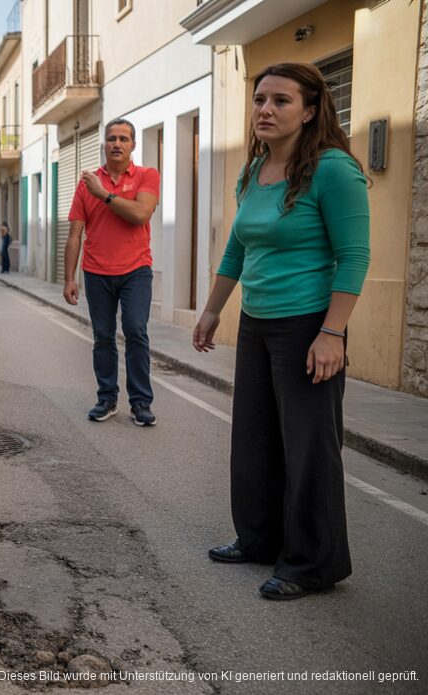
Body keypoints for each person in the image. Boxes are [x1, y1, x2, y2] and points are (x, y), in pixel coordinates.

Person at [194, 63, 369, 601]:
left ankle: (313, 563)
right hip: (257, 322)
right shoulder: (254, 172)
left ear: (311, 110)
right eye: (259, 100)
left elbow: (354, 255)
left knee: (309, 446)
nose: (264, 110)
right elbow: (237, 248)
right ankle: (259, 538)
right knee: (253, 437)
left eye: (280, 101)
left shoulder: (334, 171)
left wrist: (332, 333)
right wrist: (212, 310)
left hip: (307, 327)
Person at [63, 118, 160, 426]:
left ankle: (141, 402)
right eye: (111, 138)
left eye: (123, 138)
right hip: (96, 272)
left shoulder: (147, 176)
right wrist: (69, 278)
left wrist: (103, 193)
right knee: (103, 336)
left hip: (136, 270)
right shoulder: (85, 184)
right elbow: (75, 233)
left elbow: (140, 214)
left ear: (133, 145)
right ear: (103, 144)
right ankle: (106, 398)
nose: (117, 143)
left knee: (135, 330)